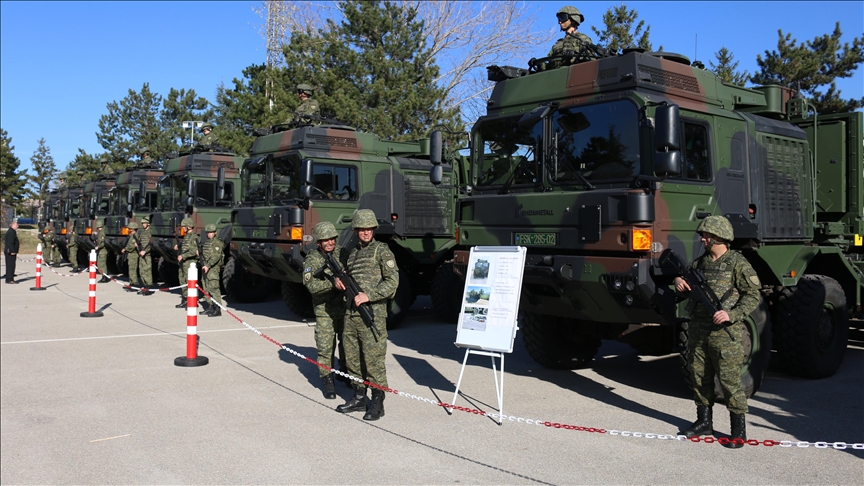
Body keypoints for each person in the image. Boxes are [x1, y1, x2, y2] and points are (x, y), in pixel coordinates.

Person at [673, 215, 760, 449]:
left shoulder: (737, 263)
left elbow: (753, 295)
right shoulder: (701, 263)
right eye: (703, 235)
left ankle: (738, 430)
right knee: (699, 377)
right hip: (699, 330)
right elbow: (687, 287)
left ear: (719, 237)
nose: (702, 239)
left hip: (724, 333)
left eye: (706, 236)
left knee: (730, 381)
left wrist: (732, 314)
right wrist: (679, 283)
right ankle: (704, 421)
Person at [334, 209, 399, 421]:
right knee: (352, 359)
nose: (366, 232)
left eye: (369, 228)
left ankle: (378, 402)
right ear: (356, 230)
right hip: (351, 316)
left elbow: (392, 282)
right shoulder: (353, 254)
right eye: (362, 229)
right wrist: (340, 284)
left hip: (372, 315)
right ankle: (359, 397)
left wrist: (369, 296)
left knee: (373, 361)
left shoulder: (382, 250)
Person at [303, 221, 347, 400]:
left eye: (332, 239)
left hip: (343, 307)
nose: (330, 242)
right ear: (318, 242)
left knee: (347, 344)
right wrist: (332, 284)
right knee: (325, 346)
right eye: (326, 240)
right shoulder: (312, 259)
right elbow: (310, 285)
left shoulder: (342, 254)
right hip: (324, 309)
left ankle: (345, 373)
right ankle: (327, 380)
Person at [200, 224, 224, 317]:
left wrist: (208, 265)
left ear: (215, 233)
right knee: (206, 288)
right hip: (205, 268)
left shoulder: (217, 243)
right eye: (208, 232)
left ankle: (217, 309)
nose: (209, 234)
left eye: (211, 232)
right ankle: (210, 307)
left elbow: (216, 256)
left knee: (214, 289)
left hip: (213, 269)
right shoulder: (207, 242)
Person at [176, 217, 200, 308]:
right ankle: (185, 299)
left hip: (190, 262)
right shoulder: (186, 237)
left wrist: (183, 256)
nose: (183, 228)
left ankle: (193, 301)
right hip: (183, 263)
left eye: (184, 226)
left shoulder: (194, 237)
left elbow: (194, 251)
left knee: (190, 282)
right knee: (182, 281)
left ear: (189, 227)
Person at [135, 217, 154, 295]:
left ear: (148, 224)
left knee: (147, 271)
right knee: (142, 271)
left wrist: (145, 251)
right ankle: (144, 286)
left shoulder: (150, 232)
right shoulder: (142, 233)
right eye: (142, 223)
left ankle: (149, 287)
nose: (143, 225)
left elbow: (151, 244)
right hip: (141, 254)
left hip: (147, 255)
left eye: (144, 223)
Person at [121, 222, 141, 292]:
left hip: (133, 256)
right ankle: (132, 283)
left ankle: (135, 284)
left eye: (130, 228)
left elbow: (132, 246)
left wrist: (125, 249)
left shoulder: (135, 235)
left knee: (133, 270)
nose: (129, 229)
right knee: (131, 270)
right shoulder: (132, 235)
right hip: (131, 255)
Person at [94, 218, 110, 283]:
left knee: (102, 264)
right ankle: (104, 276)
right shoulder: (100, 232)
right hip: (101, 251)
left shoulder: (102, 232)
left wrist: (98, 246)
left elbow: (103, 242)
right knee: (100, 264)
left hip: (103, 250)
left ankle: (105, 277)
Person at [4, 219, 20, 284]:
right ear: (12, 225)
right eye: (16, 225)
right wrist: (13, 251)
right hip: (10, 252)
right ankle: (9, 279)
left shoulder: (12, 231)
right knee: (11, 265)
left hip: (10, 251)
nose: (17, 226)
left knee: (11, 265)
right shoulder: (11, 232)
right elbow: (10, 243)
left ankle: (9, 277)